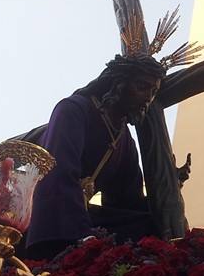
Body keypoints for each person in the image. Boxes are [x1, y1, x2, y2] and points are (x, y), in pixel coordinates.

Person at [20, 53, 165, 261]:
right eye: (142, 87)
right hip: (47, 211)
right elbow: (56, 173)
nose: (147, 99)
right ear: (119, 83)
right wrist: (84, 234)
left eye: (153, 92)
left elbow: (126, 201)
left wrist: (167, 196)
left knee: (148, 226)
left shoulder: (124, 138)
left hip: (82, 215)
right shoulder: (73, 109)